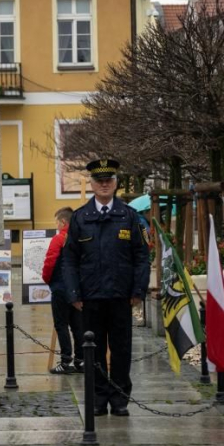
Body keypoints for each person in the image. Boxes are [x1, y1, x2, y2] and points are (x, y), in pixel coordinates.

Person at [61, 159, 150, 417]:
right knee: (94, 350)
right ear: (91, 184)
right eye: (99, 181)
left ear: (115, 183)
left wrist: (138, 291)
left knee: (122, 349)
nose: (104, 185)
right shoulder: (80, 218)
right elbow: (69, 260)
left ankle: (120, 398)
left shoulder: (129, 217)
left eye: (108, 180)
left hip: (121, 296)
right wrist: (74, 294)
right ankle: (98, 398)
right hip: (90, 298)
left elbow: (141, 256)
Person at [41, 207, 83, 375]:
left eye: (57, 222)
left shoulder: (59, 239)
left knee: (61, 324)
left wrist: (47, 280)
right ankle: (81, 361)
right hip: (78, 288)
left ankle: (66, 361)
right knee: (78, 326)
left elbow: (49, 262)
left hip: (60, 287)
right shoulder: (81, 238)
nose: (56, 225)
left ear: (63, 222)